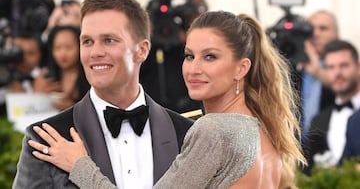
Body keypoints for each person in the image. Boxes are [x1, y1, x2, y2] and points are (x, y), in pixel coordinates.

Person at [27, 11, 306, 188]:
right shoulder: (264, 129)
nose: (194, 68)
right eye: (189, 55)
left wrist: (79, 165)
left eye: (210, 57)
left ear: (241, 68)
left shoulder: (215, 130)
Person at [12, 0, 193, 189]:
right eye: (87, 41)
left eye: (109, 40)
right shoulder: (47, 138)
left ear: (141, 50)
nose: (95, 52)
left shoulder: (187, 135)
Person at [302, 39, 360, 175]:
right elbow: (309, 171)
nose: (337, 73)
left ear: (358, 68)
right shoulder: (318, 121)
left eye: (344, 66)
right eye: (331, 67)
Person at [298, 10, 337, 139]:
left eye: (323, 28)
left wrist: (318, 72)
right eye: (311, 29)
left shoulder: (346, 62)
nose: (315, 34)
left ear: (336, 34)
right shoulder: (294, 65)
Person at [45, 25, 90, 111]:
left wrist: (73, 108)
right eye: (57, 48)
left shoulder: (89, 76)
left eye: (69, 47)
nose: (63, 53)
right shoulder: (46, 76)